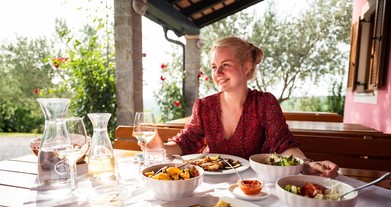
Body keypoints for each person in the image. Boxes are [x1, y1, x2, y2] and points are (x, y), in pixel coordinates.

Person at [141, 36, 339, 178]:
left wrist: (307, 164)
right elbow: (187, 142)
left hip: (256, 186)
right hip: (213, 185)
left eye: (225, 64)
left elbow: (283, 144)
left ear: (246, 66)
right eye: (213, 66)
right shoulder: (204, 106)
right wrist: (160, 148)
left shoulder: (264, 103)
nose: (217, 72)